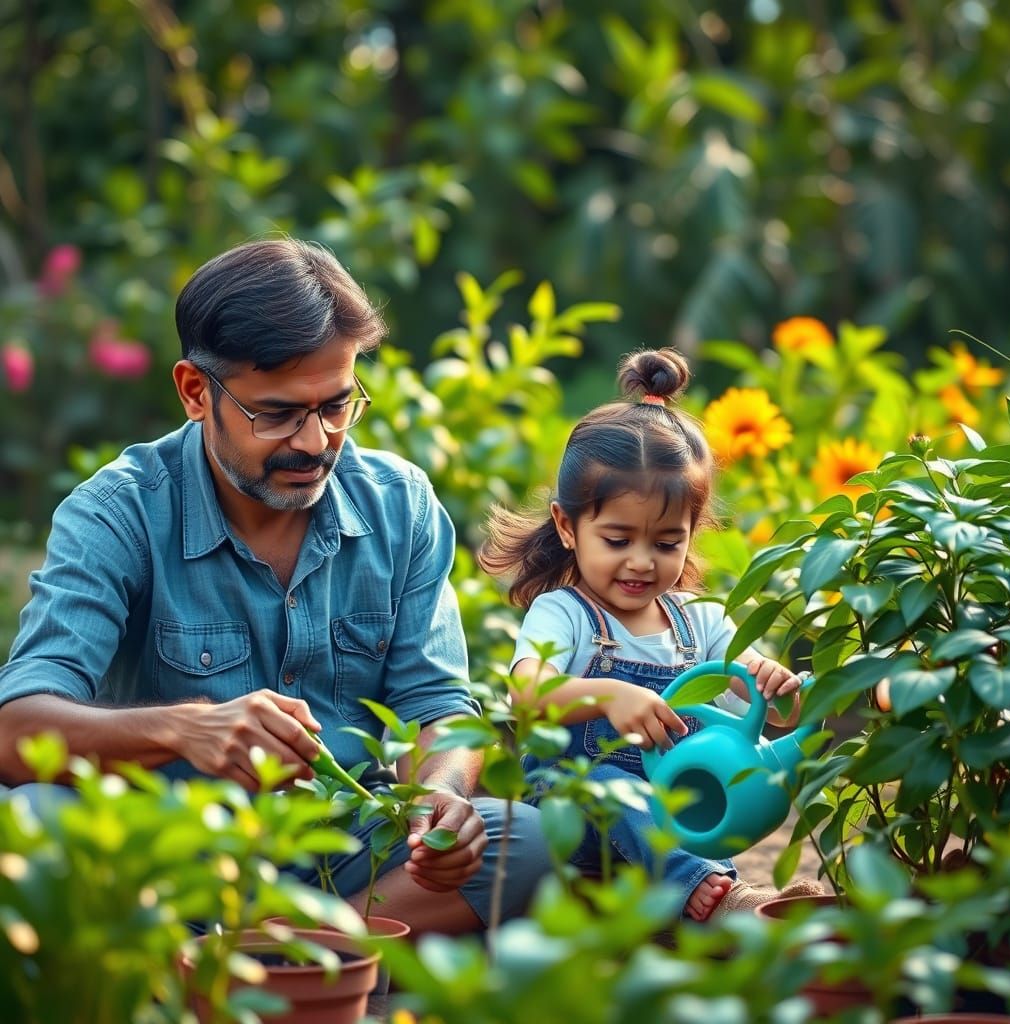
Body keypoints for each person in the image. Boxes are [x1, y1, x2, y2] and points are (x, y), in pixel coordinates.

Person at [0, 238, 547, 936]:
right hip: (170, 856)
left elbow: (435, 701)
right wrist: (184, 728)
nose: (316, 441)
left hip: (343, 850)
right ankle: (293, 958)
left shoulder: (399, 504)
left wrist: (437, 800)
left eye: (338, 406)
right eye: (280, 413)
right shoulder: (121, 511)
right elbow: (17, 728)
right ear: (197, 393)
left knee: (519, 839)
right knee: (26, 823)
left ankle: (277, 956)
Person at [478, 346, 814, 921]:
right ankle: (720, 895)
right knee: (613, 781)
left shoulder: (702, 623)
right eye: (617, 540)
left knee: (704, 787)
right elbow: (527, 696)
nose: (640, 562)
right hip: (578, 806)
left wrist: (776, 685)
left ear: (691, 533)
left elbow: (777, 718)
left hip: (681, 811)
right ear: (567, 525)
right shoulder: (565, 615)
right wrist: (610, 694)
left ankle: (719, 899)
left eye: (664, 543)